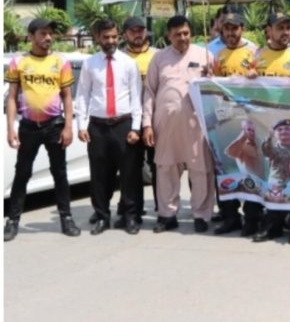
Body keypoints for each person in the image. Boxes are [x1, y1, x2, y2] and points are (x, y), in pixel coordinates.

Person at [4, 18, 81, 242]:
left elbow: (67, 96)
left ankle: (66, 218)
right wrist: (11, 128)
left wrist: (68, 126)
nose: (48, 38)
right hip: (28, 127)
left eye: (50, 34)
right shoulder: (18, 62)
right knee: (22, 174)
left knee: (60, 174)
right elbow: (11, 97)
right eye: (42, 33)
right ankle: (13, 221)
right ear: (31, 36)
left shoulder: (60, 62)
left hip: (54, 126)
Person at [143, 15, 215, 234]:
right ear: (168, 36)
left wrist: (212, 77)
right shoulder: (158, 58)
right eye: (177, 35)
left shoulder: (204, 54)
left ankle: (201, 215)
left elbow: (215, 90)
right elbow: (149, 92)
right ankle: (167, 215)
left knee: (201, 170)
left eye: (185, 33)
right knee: (166, 169)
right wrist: (146, 124)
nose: (182, 38)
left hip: (197, 125)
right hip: (165, 125)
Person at [75, 19, 143, 235]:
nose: (111, 41)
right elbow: (83, 96)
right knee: (100, 175)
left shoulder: (128, 63)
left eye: (114, 37)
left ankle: (130, 216)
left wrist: (136, 128)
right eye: (106, 37)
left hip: (123, 125)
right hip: (98, 127)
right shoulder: (89, 64)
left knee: (129, 174)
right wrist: (81, 125)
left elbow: (136, 98)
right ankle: (103, 217)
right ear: (97, 38)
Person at [251, 11, 290, 244]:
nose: (286, 32)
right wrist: (248, 78)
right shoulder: (258, 54)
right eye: (280, 28)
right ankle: (272, 224)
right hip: (268, 125)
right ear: (269, 31)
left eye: (289, 27)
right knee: (274, 176)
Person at [211, 13, 264, 237]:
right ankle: (230, 215)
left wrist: (255, 74)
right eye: (227, 29)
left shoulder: (254, 52)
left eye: (235, 29)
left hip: (250, 118)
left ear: (242, 28)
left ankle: (253, 217)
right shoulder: (218, 55)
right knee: (225, 164)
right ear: (221, 31)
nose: (231, 33)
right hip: (226, 119)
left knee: (252, 167)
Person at [121, 17, 158, 222]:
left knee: (157, 166)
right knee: (132, 167)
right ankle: (134, 209)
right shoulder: (120, 58)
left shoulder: (157, 56)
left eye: (141, 30)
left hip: (154, 118)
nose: (138, 34)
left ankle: (162, 209)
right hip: (130, 120)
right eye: (133, 31)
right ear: (125, 34)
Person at [256, 119, 290, 244]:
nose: (284, 131)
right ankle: (271, 231)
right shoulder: (273, 148)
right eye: (280, 129)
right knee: (273, 209)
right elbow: (266, 151)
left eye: (287, 129)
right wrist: (268, 138)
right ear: (275, 133)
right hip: (276, 183)